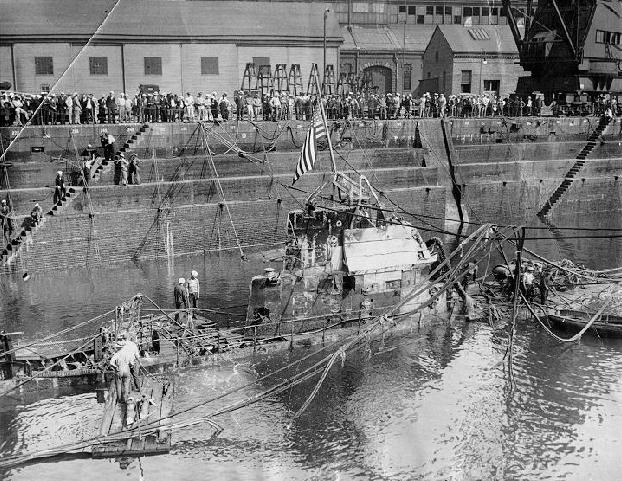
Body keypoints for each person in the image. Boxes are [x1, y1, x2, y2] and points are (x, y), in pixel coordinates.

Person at [109, 333, 140, 403]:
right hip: (126, 370)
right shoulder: (127, 353)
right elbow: (131, 363)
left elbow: (111, 363)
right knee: (126, 384)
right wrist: (131, 365)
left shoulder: (117, 354)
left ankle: (119, 399)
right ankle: (126, 398)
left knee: (118, 385)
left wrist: (115, 367)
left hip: (119, 370)